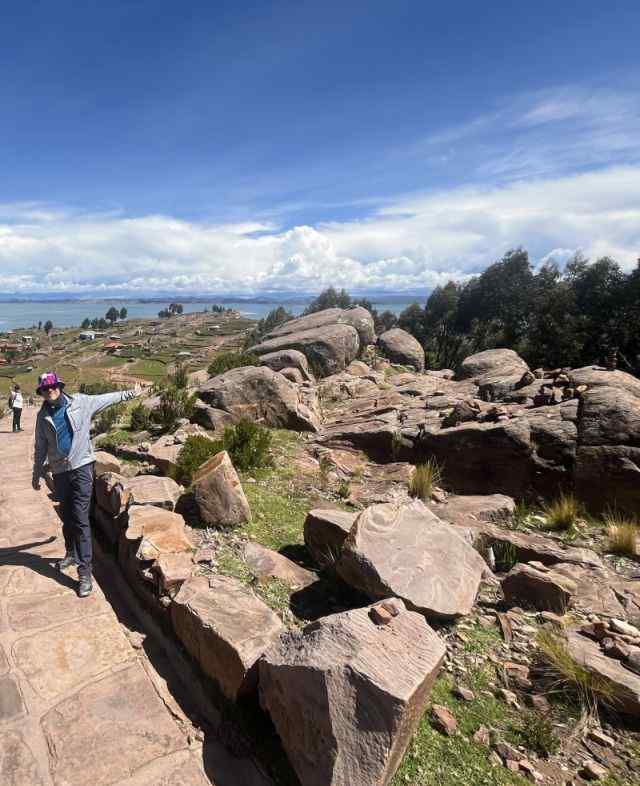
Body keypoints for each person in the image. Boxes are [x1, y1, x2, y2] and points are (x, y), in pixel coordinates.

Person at [32, 372, 142, 597]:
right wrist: (36, 474)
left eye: (52, 385)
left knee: (80, 518)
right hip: (60, 472)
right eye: (45, 388)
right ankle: (71, 553)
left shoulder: (81, 402)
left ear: (60, 386)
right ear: (41, 392)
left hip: (82, 467)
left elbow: (108, 398)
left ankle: (84, 573)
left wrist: (132, 393)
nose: (49, 390)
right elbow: (41, 447)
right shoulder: (42, 416)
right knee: (67, 516)